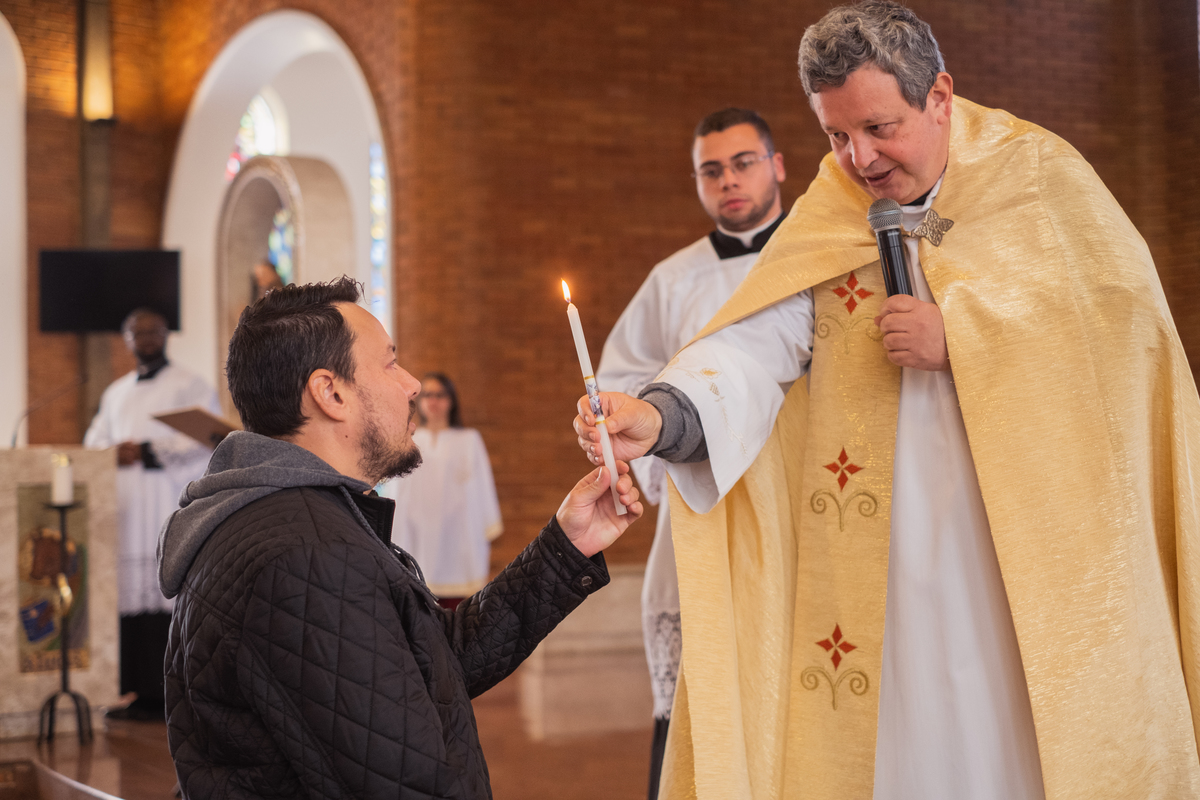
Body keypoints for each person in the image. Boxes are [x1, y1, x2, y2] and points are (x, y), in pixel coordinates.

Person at [574, 2, 1200, 798]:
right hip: (887, 573)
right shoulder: (833, 206)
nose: (858, 159)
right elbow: (758, 341)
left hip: (1026, 569)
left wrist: (964, 338)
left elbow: (1125, 337)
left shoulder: (1038, 177)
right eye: (835, 135)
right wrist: (661, 415)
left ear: (939, 95)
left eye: (879, 128)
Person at [157, 278, 642, 799]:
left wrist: (567, 547)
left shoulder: (279, 517)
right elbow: (406, 784)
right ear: (331, 392)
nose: (411, 385)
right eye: (389, 363)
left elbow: (431, 664)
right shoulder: (308, 557)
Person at [594, 107, 786, 800]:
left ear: (777, 165)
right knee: (701, 691)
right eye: (712, 171)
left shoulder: (821, 253)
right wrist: (630, 437)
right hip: (702, 501)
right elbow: (620, 376)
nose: (729, 182)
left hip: (805, 494)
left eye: (743, 163)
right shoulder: (674, 279)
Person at [83, 307, 219, 721]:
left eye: (152, 331)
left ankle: (169, 694)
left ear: (165, 334)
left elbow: (208, 440)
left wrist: (142, 450)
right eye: (136, 332)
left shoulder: (190, 385)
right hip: (126, 512)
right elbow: (93, 442)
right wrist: (112, 452)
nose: (145, 338)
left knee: (164, 597)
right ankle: (138, 692)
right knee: (130, 599)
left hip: (163, 506)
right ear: (125, 339)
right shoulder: (115, 393)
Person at [383, 372, 503, 608]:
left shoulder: (468, 440)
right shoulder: (407, 439)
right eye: (427, 395)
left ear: (451, 400)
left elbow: (482, 489)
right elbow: (395, 489)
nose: (433, 401)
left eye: (440, 395)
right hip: (416, 535)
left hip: (458, 536)